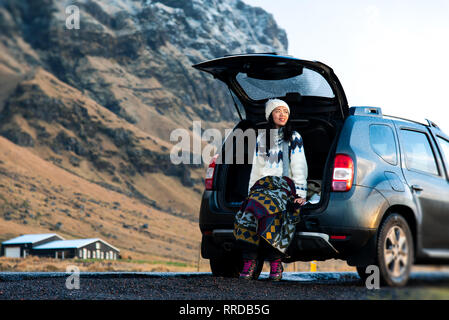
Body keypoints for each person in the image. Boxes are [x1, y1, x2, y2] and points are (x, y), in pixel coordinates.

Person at [233, 98, 308, 281]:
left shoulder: (294, 137)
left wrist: (301, 195)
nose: (282, 115)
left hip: (284, 186)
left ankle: (275, 261)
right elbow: (256, 168)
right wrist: (252, 191)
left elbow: (299, 167)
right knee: (248, 212)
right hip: (262, 186)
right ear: (270, 115)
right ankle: (249, 261)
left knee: (272, 211)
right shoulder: (261, 138)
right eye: (278, 111)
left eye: (286, 112)